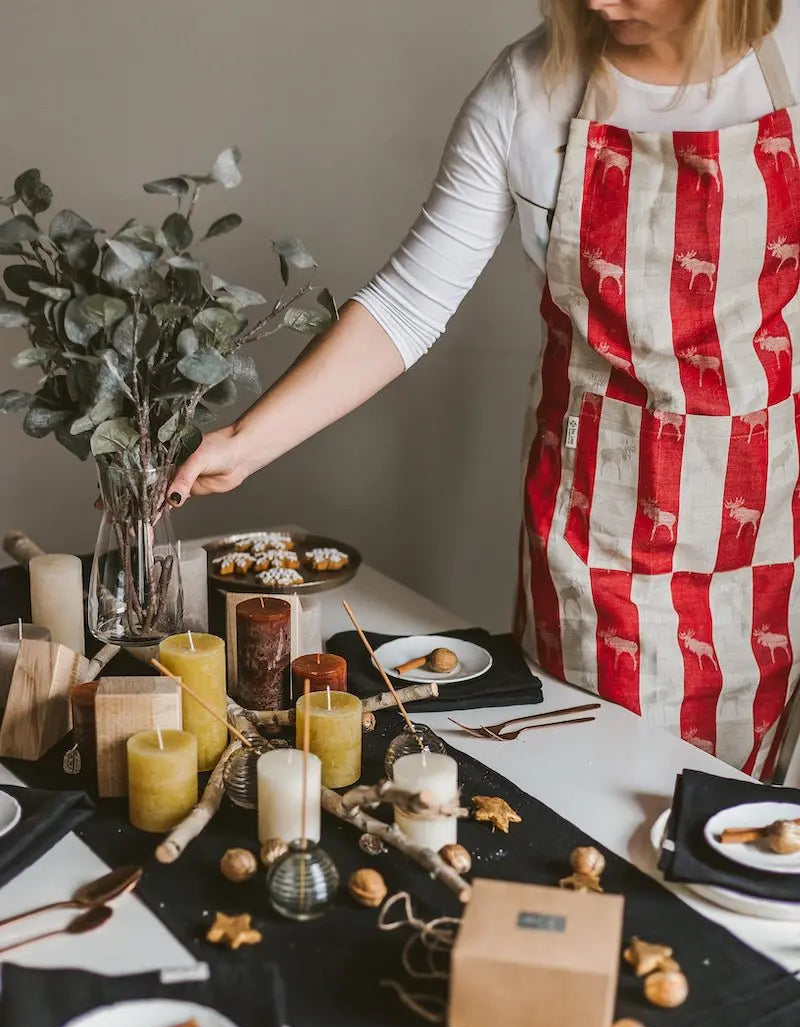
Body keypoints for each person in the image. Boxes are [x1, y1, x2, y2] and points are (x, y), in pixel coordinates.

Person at [170, 0, 800, 778]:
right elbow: (410, 302)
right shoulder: (530, 90)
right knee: (586, 788)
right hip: (589, 524)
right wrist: (244, 442)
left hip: (761, 528)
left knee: (726, 822)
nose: (599, 2)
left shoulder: (793, 58)